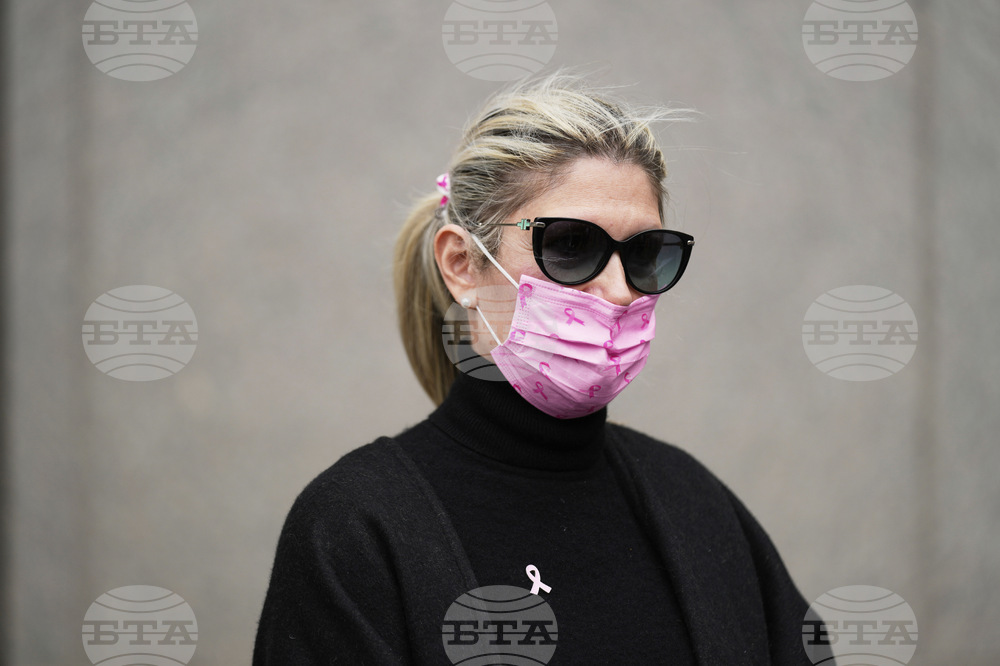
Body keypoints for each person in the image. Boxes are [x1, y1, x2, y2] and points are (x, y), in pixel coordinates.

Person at [254, 73, 814, 665]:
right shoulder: (359, 527)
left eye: (645, 253)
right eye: (570, 245)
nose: (619, 289)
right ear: (461, 264)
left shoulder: (695, 505)